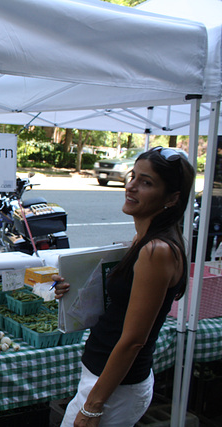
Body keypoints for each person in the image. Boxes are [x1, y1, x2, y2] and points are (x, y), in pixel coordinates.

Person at [54, 146, 195, 426]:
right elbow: (121, 303)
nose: (131, 187)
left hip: (115, 390)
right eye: (133, 176)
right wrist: (75, 290)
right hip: (105, 380)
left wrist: (93, 406)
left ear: (172, 198)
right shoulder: (142, 240)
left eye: (146, 182)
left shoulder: (157, 251)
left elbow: (133, 341)